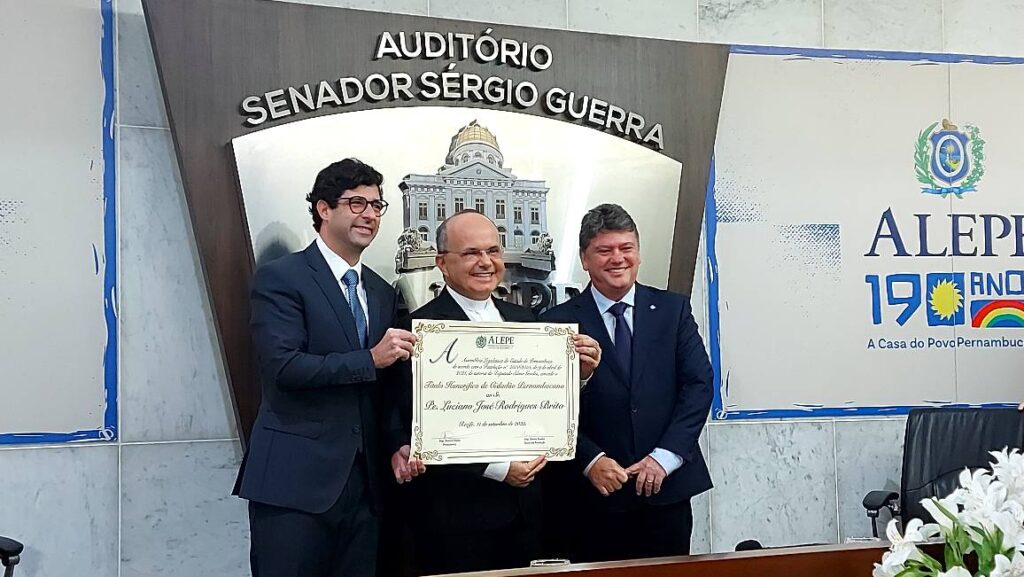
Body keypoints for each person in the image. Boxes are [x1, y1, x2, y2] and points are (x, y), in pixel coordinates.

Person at [389, 209, 601, 574]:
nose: (485, 262)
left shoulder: (526, 321)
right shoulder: (417, 330)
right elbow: (416, 425)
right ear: (442, 263)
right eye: (471, 253)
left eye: (493, 251)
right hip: (457, 521)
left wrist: (577, 377)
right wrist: (497, 469)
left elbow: (541, 405)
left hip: (528, 514)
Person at [233, 158, 417, 577]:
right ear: (323, 209)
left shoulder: (381, 290)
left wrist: (398, 443)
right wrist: (369, 358)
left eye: (376, 205)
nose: (369, 215)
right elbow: (284, 368)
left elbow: (385, 387)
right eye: (356, 203)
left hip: (366, 487)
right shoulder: (282, 277)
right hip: (294, 485)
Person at [540, 203, 714, 562]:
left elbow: (699, 385)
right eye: (604, 250)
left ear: (638, 253)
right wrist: (590, 460)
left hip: (665, 493)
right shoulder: (555, 323)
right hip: (588, 499)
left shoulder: (673, 310)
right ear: (585, 259)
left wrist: (664, 458)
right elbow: (543, 407)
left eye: (626, 248)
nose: (617, 258)